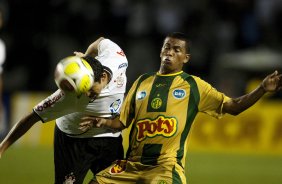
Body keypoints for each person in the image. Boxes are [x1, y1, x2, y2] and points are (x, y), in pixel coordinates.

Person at [80, 32, 282, 184]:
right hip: (130, 165)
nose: (170, 52)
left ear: (186, 58)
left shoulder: (194, 86)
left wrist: (262, 89)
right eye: (167, 47)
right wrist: (103, 121)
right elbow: (121, 122)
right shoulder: (141, 82)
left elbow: (233, 106)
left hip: (165, 168)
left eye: (177, 50)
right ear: (161, 51)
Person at [0, 37, 128, 184]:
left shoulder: (117, 59)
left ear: (103, 76)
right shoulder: (68, 97)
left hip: (109, 138)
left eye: (89, 89)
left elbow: (100, 41)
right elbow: (31, 117)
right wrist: (2, 147)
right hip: (73, 141)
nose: (86, 95)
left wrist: (86, 57)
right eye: (82, 90)